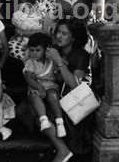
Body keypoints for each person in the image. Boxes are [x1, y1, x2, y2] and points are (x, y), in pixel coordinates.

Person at [44, 19, 94, 160]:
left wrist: (58, 61)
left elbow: (75, 84)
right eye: (58, 32)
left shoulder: (81, 55)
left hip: (76, 103)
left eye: (64, 33)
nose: (59, 36)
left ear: (74, 37)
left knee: (43, 115)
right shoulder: (56, 50)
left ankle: (62, 150)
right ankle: (62, 149)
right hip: (58, 98)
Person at [23, 33, 66, 138]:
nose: (34, 53)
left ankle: (60, 122)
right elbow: (28, 78)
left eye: (38, 50)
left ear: (46, 50)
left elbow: (60, 72)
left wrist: (59, 67)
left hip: (51, 86)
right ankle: (43, 119)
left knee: (53, 96)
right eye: (31, 50)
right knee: (35, 96)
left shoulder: (51, 61)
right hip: (36, 87)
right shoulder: (30, 63)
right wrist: (39, 88)